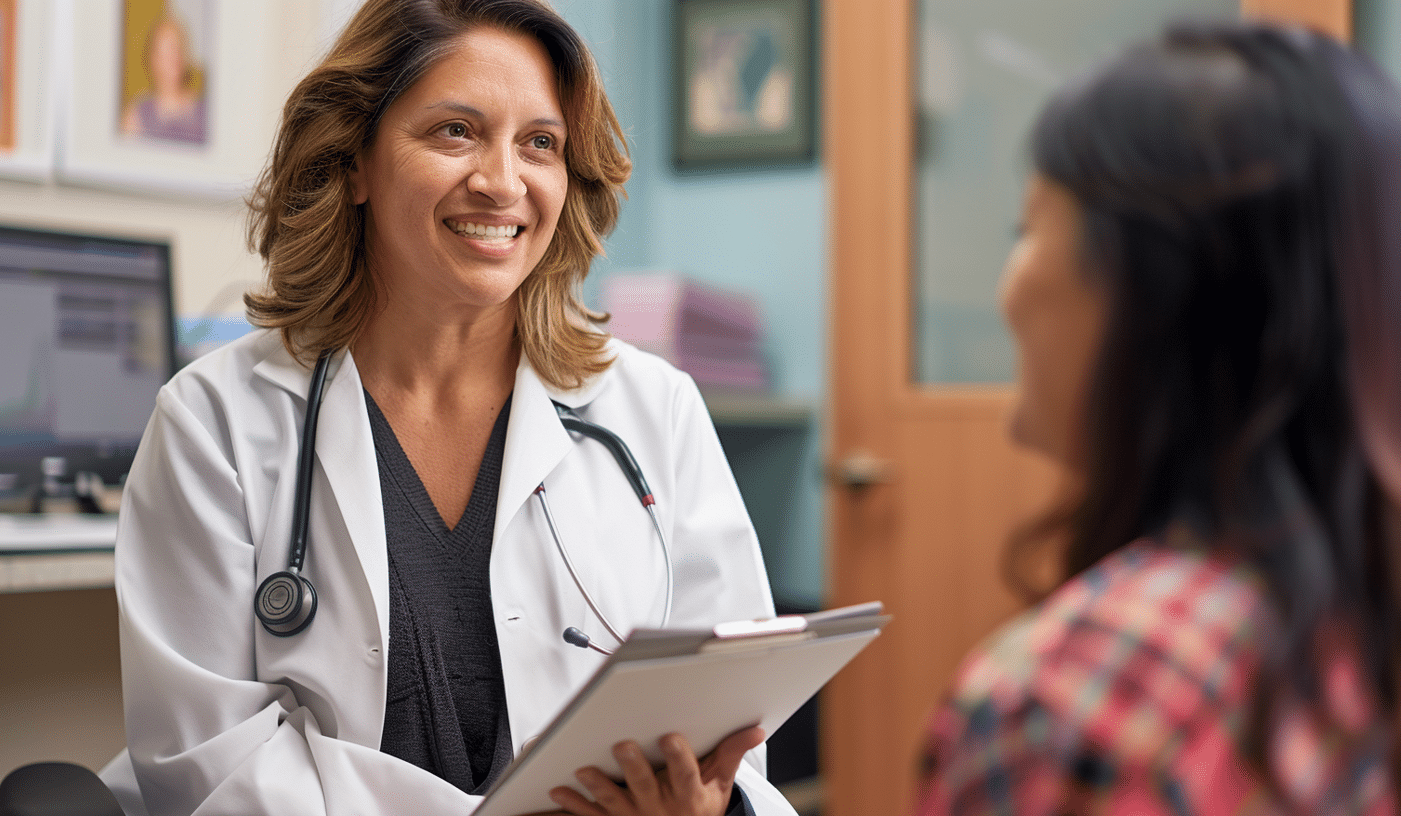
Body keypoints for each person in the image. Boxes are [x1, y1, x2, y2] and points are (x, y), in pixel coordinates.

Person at [102, 2, 793, 815]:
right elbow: (211, 767)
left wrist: (707, 804)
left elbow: (734, 733)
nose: (502, 182)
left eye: (540, 143)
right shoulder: (215, 421)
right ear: (354, 162)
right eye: (455, 132)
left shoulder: (655, 411)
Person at [916, 20, 1401, 814]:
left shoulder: (1073, 702)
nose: (1006, 293)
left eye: (1027, 230)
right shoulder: (1352, 631)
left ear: (1155, 290)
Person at [119, 15, 208, 145]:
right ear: (153, 59)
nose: (175, 56)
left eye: (178, 47)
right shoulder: (135, 118)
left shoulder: (208, 111)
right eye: (167, 49)